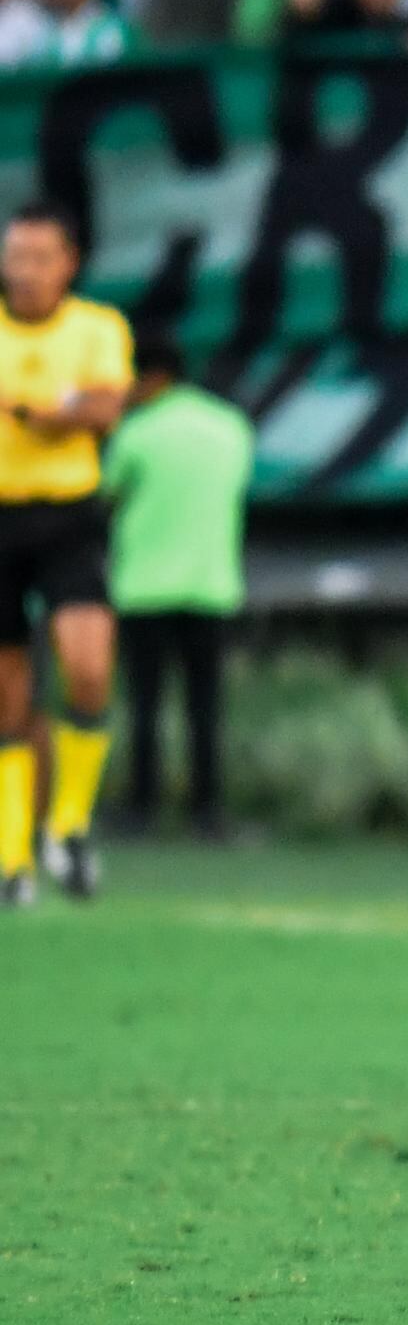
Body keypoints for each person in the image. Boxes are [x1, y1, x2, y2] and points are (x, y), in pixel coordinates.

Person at [0, 209, 128, 906]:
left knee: (87, 670)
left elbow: (104, 408)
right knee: (8, 697)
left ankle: (69, 823)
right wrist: (54, 409)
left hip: (67, 517)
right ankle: (10, 857)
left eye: (39, 256)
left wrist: (36, 414)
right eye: (15, 254)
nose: (23, 269)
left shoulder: (96, 328)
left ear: (68, 263)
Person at [104, 335, 247, 843]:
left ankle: (141, 811)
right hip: (211, 584)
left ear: (153, 376)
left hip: (145, 586)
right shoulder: (230, 427)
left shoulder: (136, 432)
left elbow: (109, 493)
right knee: (204, 708)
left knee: (145, 705)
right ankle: (207, 812)